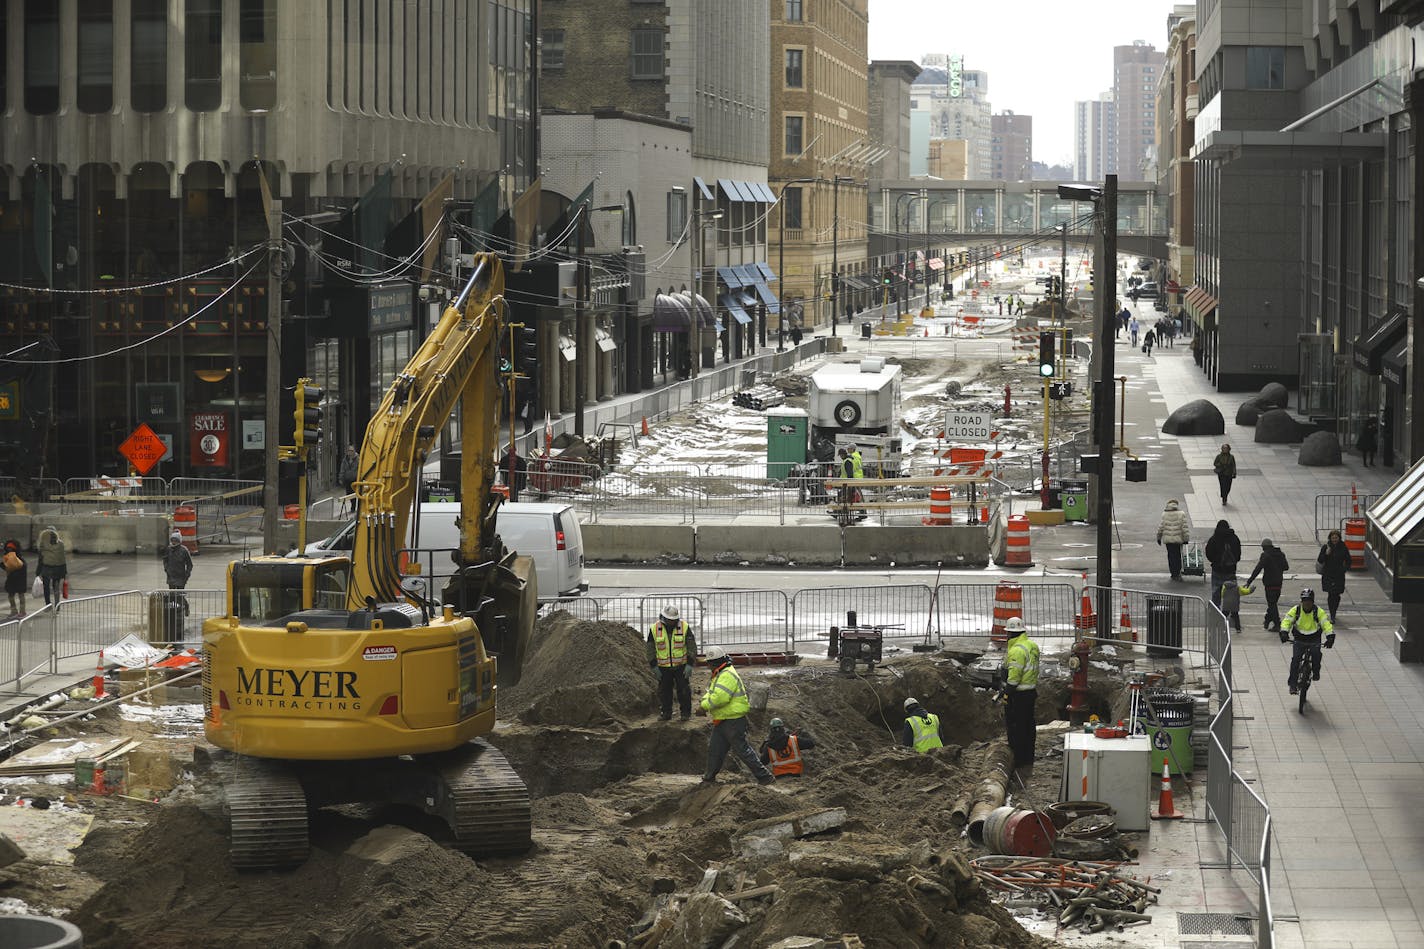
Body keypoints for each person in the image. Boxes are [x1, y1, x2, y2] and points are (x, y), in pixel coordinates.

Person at [696, 646, 774, 786]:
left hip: (733, 720)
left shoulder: (726, 675)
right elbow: (712, 692)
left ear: (714, 662)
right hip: (723, 720)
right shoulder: (720, 673)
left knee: (742, 750)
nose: (708, 666)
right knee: (715, 750)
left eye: (709, 663)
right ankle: (709, 778)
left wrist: (704, 706)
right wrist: (704, 702)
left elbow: (720, 698)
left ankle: (764, 776)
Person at [1000, 616, 1040, 774]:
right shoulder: (1032, 645)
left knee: (1016, 728)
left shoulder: (1016, 650)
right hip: (1030, 692)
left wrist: (1006, 692)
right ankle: (1028, 758)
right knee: (1028, 726)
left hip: (1018, 695)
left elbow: (1014, 676)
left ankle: (1017, 759)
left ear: (1010, 633)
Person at [646, 605, 697, 721]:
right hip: (663, 667)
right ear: (663, 618)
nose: (672, 622)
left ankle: (685, 713)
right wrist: (654, 666)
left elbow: (691, 646)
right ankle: (666, 713)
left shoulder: (684, 627)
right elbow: (650, 648)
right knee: (664, 692)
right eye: (669, 620)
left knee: (684, 690)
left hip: (681, 666)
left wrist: (689, 664)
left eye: (673, 620)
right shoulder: (655, 629)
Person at [1280, 588, 1334, 695]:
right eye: (1304, 600)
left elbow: (1326, 624)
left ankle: (1316, 671)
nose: (1307, 603)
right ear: (1301, 601)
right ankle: (1293, 685)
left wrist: (1330, 636)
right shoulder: (1296, 610)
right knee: (1295, 660)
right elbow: (1287, 621)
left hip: (1314, 638)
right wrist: (1284, 632)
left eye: (1309, 601)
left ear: (1312, 601)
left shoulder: (1318, 612)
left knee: (1316, 655)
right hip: (1299, 639)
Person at [1246, 539, 1289, 631]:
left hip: (1269, 582)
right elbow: (1286, 567)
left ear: (1264, 547)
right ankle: (1268, 618)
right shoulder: (1280, 554)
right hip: (1279, 582)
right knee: (1272, 603)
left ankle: (1277, 624)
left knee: (1272, 604)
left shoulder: (1266, 555)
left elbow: (1258, 568)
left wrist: (1249, 581)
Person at [1204, 519, 1242, 611]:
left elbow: (1208, 553)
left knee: (1216, 592)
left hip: (1217, 569)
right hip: (1230, 570)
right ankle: (1231, 612)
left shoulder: (1214, 539)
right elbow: (1238, 554)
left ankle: (1216, 611)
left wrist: (1214, 561)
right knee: (1231, 593)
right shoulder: (1234, 538)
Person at [1316, 529, 1351, 624]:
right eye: (1333, 538)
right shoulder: (1325, 547)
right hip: (1328, 574)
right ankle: (1332, 614)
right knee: (1331, 594)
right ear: (1330, 538)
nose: (1334, 540)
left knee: (1337, 594)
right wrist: (1326, 554)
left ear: (1339, 538)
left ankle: (1334, 610)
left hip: (1339, 575)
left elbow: (1348, 560)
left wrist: (1344, 569)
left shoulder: (1343, 547)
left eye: (1336, 538)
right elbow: (1320, 560)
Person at [1155, 499, 1190, 580]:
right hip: (1178, 539)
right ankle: (1177, 572)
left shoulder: (1164, 514)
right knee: (1177, 555)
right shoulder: (1181, 514)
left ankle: (1173, 573)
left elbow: (1161, 526)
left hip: (1168, 540)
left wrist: (1158, 537)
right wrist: (1186, 539)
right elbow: (1184, 528)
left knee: (1170, 556)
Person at [162, 531, 194, 615]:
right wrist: (166, 569)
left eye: (175, 540)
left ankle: (185, 607)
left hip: (181, 577)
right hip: (171, 576)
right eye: (172, 540)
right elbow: (165, 559)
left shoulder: (184, 550)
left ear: (179, 541)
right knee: (172, 595)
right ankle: (175, 611)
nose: (173, 542)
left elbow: (190, 564)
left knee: (180, 595)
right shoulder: (169, 549)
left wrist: (186, 575)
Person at [36, 526, 68, 605]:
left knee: (46, 587)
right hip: (59, 568)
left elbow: (41, 559)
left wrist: (38, 571)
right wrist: (64, 572)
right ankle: (57, 605)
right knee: (56, 587)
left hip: (47, 568)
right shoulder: (61, 544)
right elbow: (62, 558)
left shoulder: (43, 544)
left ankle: (48, 604)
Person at [2, 540, 27, 618]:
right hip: (12, 579)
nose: (10, 550)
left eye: (11, 548)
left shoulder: (19, 558)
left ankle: (22, 612)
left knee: (20, 596)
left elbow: (22, 567)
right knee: (11, 596)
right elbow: (7, 568)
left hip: (18, 579)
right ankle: (14, 611)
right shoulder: (8, 557)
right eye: (8, 548)